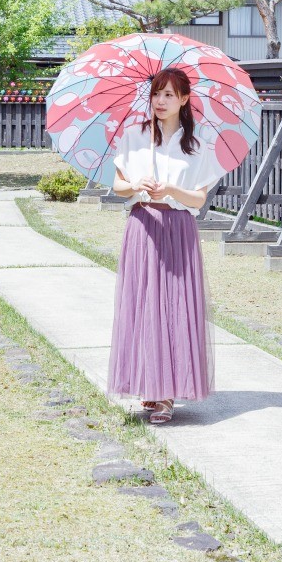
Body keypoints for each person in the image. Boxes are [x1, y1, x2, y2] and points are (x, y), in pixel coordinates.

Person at [108, 67, 216, 424]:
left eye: (169, 94)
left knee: (173, 306)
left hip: (178, 227)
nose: (161, 101)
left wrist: (170, 190)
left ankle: (167, 394)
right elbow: (118, 187)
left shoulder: (198, 145)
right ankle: (149, 387)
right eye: (156, 94)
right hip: (142, 225)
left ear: (184, 99)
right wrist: (135, 182)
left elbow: (199, 200)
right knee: (143, 306)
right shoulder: (135, 136)